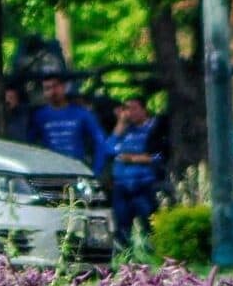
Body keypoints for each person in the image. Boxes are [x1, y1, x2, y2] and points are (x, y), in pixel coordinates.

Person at [105, 97, 167, 248]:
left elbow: (159, 155)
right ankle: (126, 259)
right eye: (127, 109)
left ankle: (153, 255)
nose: (129, 113)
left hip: (144, 184)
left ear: (143, 110)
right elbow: (108, 149)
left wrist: (133, 159)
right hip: (122, 185)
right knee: (121, 226)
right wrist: (120, 123)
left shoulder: (154, 128)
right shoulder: (124, 130)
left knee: (149, 224)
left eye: (133, 108)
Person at [28, 75, 107, 176]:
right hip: (49, 171)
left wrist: (96, 171)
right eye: (47, 88)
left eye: (55, 86)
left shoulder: (82, 113)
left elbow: (100, 141)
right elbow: (29, 144)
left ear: (64, 87)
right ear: (44, 92)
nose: (53, 91)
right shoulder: (39, 116)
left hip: (77, 170)